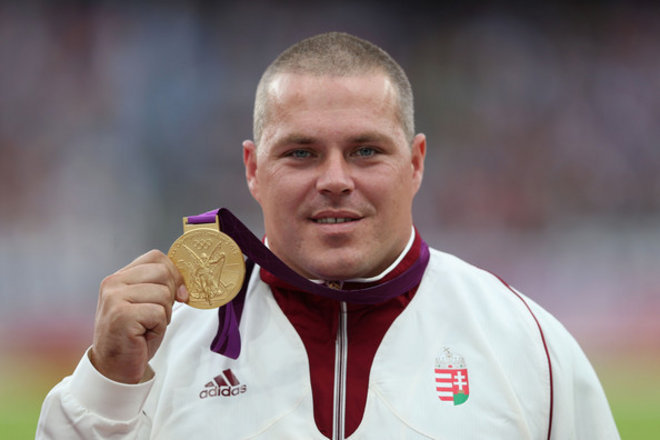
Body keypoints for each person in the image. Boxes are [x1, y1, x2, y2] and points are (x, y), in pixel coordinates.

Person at [37, 32, 619, 439]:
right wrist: (107, 385)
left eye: (366, 151)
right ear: (253, 168)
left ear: (415, 163)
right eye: (301, 152)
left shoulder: (526, 344)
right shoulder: (158, 350)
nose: (335, 180)